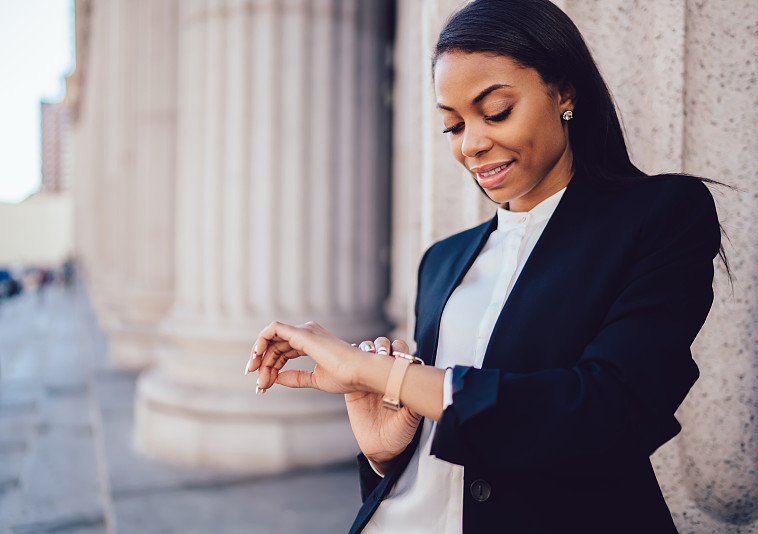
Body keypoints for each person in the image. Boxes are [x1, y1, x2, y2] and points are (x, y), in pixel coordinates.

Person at [244, 1, 725, 532]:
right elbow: (446, 437)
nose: (472, 144)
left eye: (495, 111)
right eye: (452, 126)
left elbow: (606, 412)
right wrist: (386, 448)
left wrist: (380, 370)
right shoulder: (442, 261)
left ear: (564, 93)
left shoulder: (662, 215)